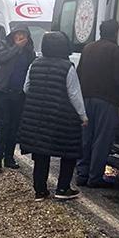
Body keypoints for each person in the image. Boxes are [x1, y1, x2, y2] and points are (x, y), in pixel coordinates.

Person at [18, 31, 88, 201]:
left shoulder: (35, 64)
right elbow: (74, 94)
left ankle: (40, 191)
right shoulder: (67, 67)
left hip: (37, 116)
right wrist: (83, 116)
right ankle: (63, 189)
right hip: (62, 118)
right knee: (68, 152)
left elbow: (26, 88)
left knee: (41, 153)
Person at [76, 20, 119, 188]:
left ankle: (82, 174)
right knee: (101, 140)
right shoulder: (116, 51)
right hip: (106, 101)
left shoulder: (88, 48)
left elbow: (79, 72)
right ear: (115, 32)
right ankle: (95, 177)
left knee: (86, 138)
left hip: (86, 99)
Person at [0, 25, 36, 173]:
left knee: (14, 127)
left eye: (23, 35)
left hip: (19, 93)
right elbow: (1, 57)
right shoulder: (4, 45)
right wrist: (16, 47)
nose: (20, 37)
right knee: (3, 125)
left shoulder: (29, 52)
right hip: (3, 91)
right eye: (17, 34)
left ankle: (9, 157)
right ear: (13, 36)